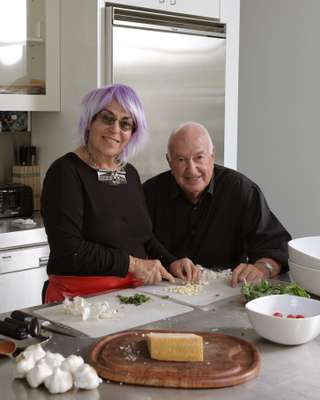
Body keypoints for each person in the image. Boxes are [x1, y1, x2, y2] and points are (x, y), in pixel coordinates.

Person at [41, 84, 198, 303]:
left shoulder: (129, 173)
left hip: (130, 296)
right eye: (107, 118)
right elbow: (70, 251)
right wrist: (134, 265)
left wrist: (170, 261)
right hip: (78, 302)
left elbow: (141, 237)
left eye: (126, 124)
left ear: (132, 134)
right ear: (89, 121)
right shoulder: (65, 173)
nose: (116, 129)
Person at [143, 122, 292, 287]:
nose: (192, 169)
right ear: (170, 162)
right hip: (162, 293)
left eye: (199, 157)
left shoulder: (241, 191)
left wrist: (263, 268)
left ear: (212, 156)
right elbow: (135, 244)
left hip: (227, 292)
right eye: (181, 160)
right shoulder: (149, 194)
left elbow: (277, 247)